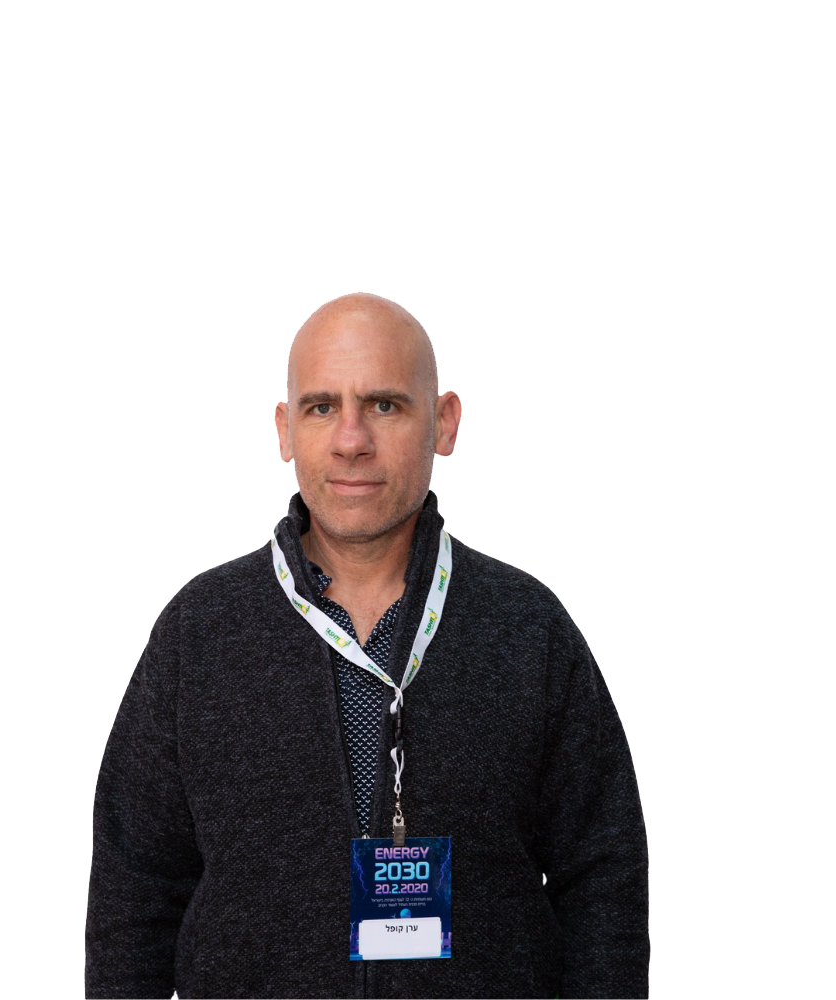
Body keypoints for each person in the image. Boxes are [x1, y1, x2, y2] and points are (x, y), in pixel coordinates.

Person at [84, 292, 650, 999]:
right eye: (322, 407)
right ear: (285, 430)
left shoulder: (528, 628)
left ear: (444, 422)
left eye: (384, 405)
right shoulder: (199, 632)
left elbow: (602, 879)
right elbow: (134, 890)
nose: (351, 440)